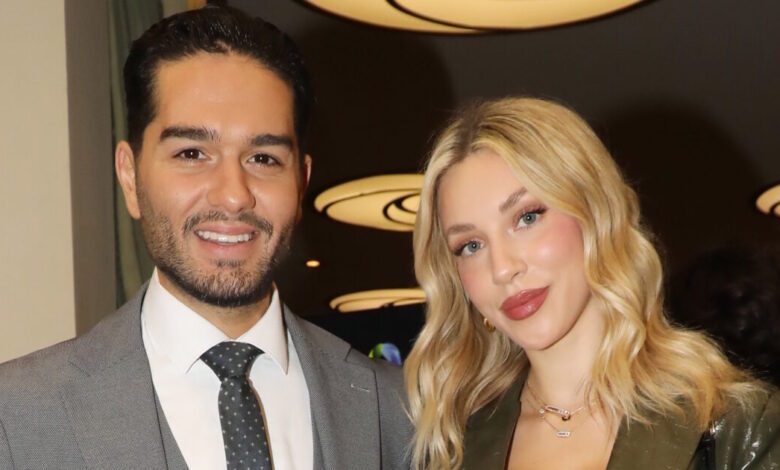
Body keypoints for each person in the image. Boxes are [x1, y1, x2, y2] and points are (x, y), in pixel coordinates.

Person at [0, 6, 410, 469]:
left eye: (264, 158)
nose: (233, 196)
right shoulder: (17, 418)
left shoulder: (397, 412)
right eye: (192, 153)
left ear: (301, 181)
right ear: (130, 176)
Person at [404, 96, 779, 469]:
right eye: (471, 245)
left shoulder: (735, 426)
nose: (502, 269)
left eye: (527, 217)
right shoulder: (453, 450)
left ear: (594, 212)